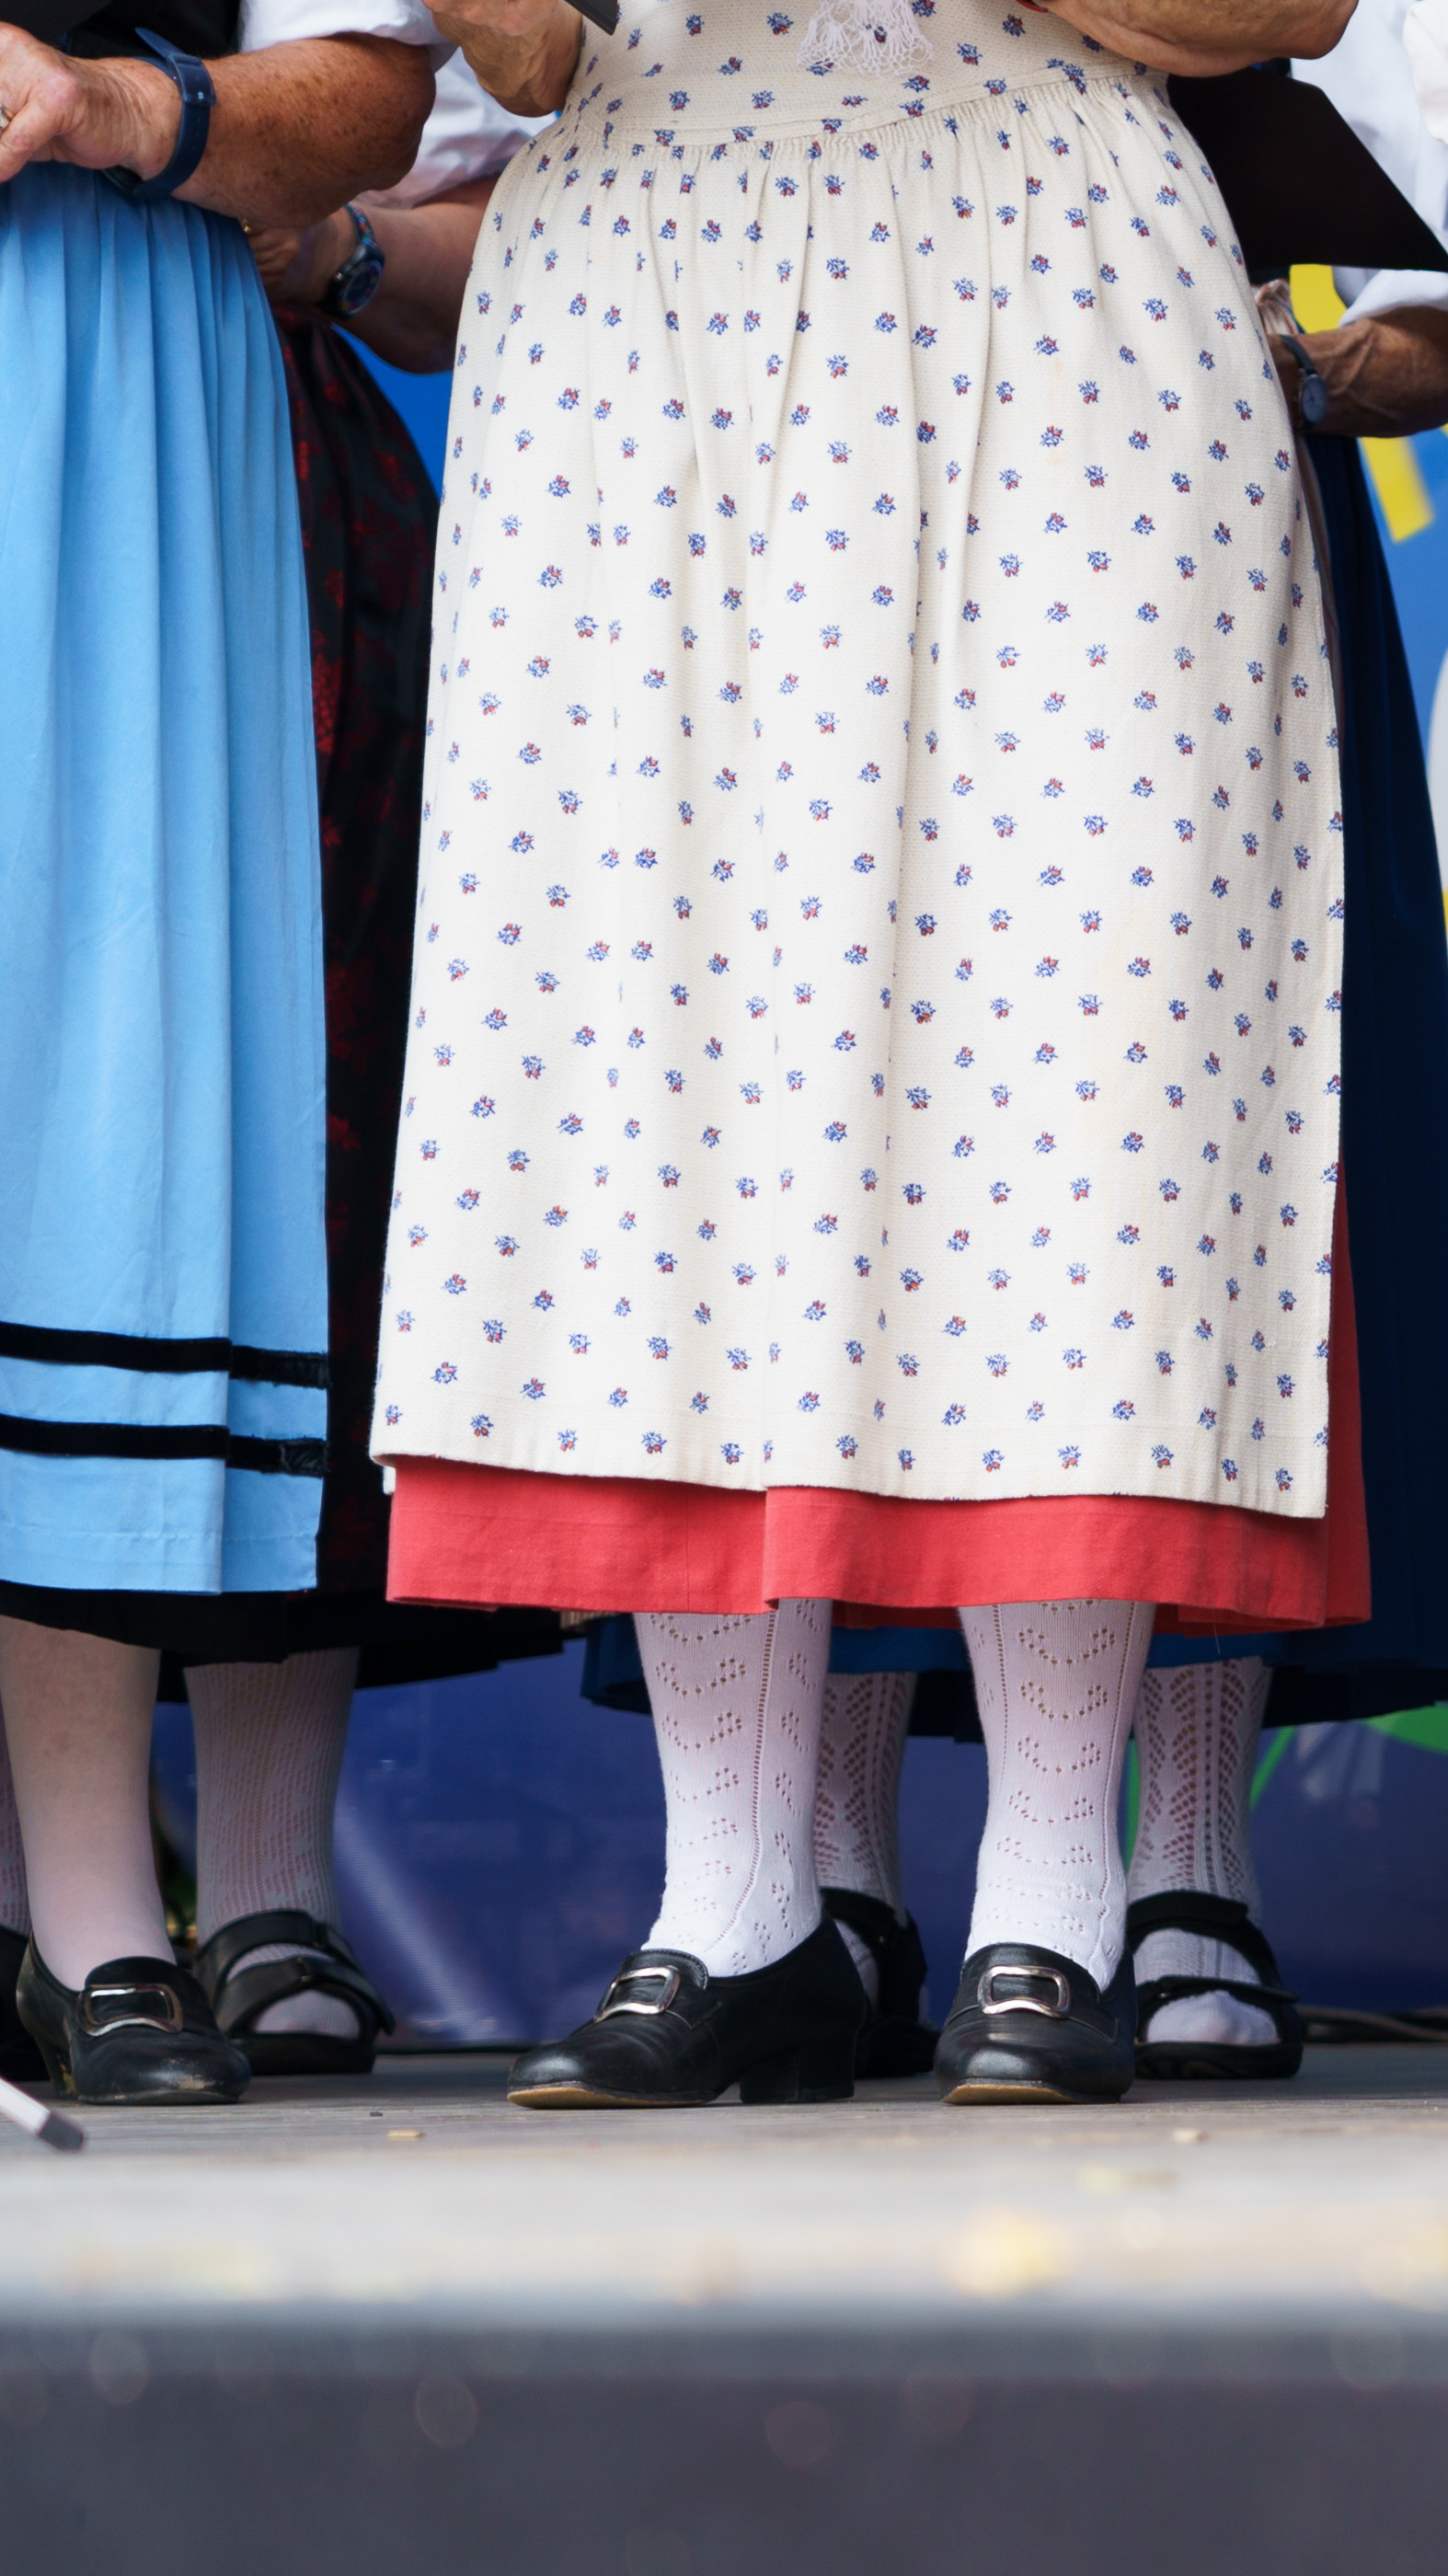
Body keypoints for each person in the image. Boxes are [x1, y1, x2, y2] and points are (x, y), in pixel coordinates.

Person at [381, 0, 1374, 2111]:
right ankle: (729, 1904)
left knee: (1084, 1049)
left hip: (1063, 254)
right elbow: (537, 56)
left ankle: (1052, 1899)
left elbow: (1295, 12)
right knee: (661, 1047)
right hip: (647, 282)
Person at [0, 0, 440, 2105]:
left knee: (92, 1136)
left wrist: (111, 103)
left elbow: (369, 88)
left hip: (106, 357)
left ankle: (96, 1912)